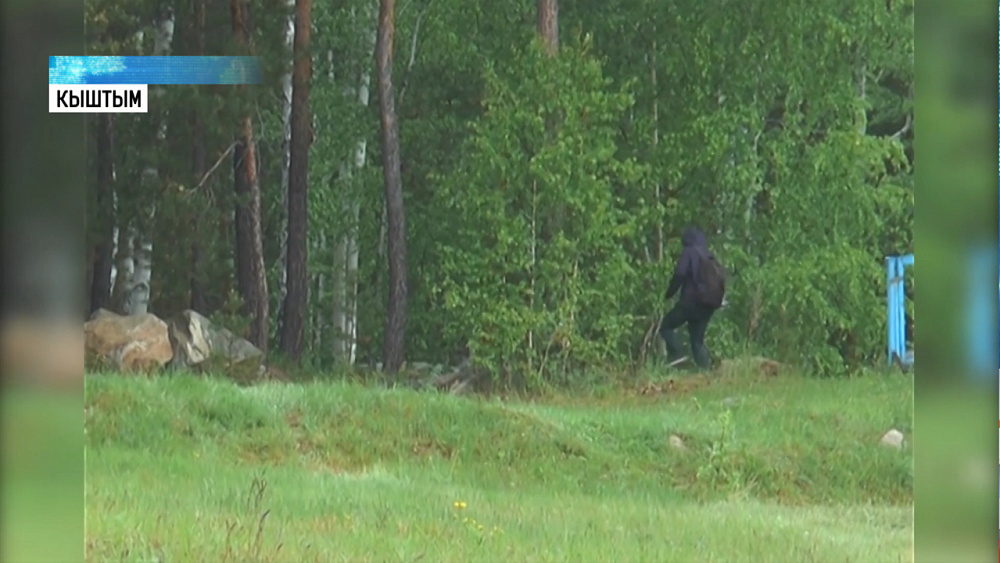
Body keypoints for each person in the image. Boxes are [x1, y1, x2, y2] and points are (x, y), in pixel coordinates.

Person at [659, 226, 726, 369]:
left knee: (666, 326)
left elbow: (680, 273)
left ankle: (678, 355)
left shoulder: (689, 252)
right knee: (697, 341)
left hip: (690, 302)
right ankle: (706, 373)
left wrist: (669, 294)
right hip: (707, 305)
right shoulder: (709, 256)